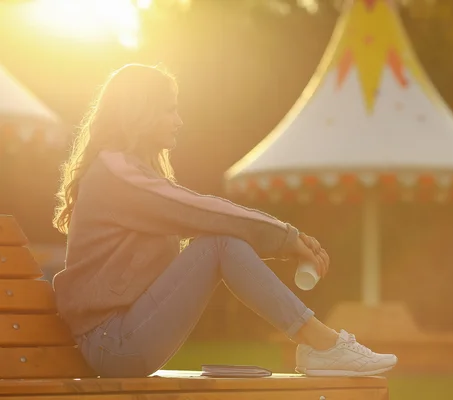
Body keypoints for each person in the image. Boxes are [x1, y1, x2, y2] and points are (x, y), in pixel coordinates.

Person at [51, 63, 397, 378]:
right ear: (141, 112)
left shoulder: (125, 170)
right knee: (218, 242)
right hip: (113, 344)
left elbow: (199, 217)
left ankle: (320, 345)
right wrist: (285, 238)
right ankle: (322, 345)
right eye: (170, 108)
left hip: (120, 339)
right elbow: (200, 211)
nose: (179, 120)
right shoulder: (116, 173)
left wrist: (282, 240)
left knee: (218, 241)